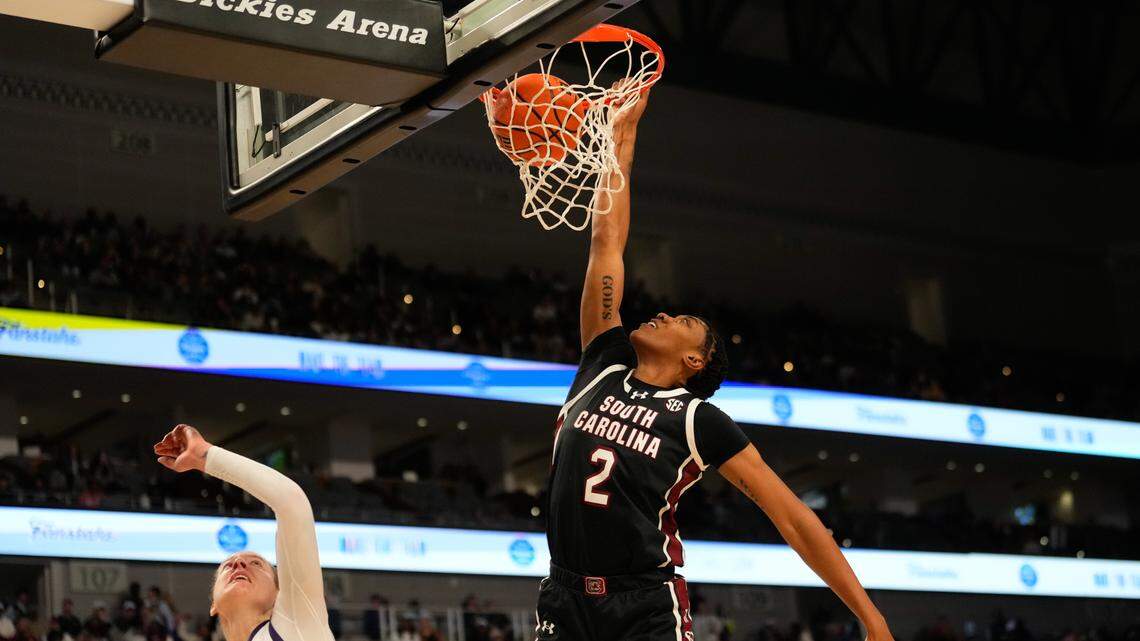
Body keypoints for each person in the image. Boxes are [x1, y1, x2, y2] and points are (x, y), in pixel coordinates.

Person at [534, 88, 895, 641]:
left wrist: (871, 619)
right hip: (564, 597)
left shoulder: (699, 420)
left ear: (693, 360)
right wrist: (620, 142)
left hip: (642, 607)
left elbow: (794, 517)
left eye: (678, 319)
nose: (660, 313)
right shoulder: (603, 361)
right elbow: (607, 244)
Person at [153, 425, 333, 641]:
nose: (239, 564)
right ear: (213, 605)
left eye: (256, 564)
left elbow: (291, 503)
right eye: (228, 566)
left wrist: (205, 456)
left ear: (279, 594)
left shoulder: (299, 623)